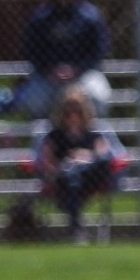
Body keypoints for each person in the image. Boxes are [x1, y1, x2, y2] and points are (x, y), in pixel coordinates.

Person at [14, 0, 112, 121]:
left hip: (82, 75)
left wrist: (77, 69)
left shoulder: (91, 17)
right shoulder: (41, 18)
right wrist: (49, 70)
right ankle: (47, 139)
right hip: (48, 76)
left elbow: (99, 51)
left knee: (98, 97)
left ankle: (89, 137)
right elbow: (29, 50)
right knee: (33, 101)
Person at [33, 89, 121, 244]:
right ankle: (76, 230)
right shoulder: (55, 136)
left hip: (91, 178)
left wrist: (85, 156)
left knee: (94, 165)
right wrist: (66, 164)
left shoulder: (93, 133)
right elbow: (47, 162)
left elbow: (103, 154)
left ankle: (76, 229)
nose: (73, 115)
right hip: (64, 180)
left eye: (78, 111)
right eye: (69, 111)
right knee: (72, 176)